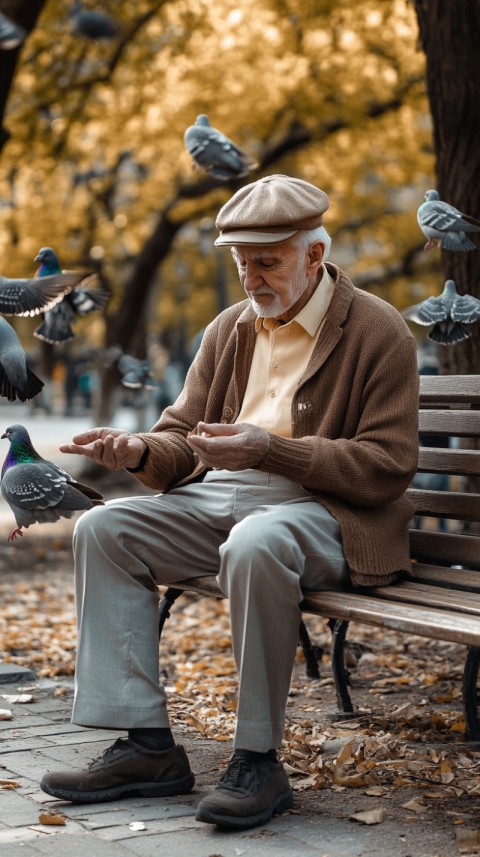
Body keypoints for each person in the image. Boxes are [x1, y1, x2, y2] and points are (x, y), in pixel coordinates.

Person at [40, 174, 419, 830]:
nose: (251, 278)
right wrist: (138, 452)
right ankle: (147, 746)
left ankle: (257, 759)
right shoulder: (231, 329)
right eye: (242, 263)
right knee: (104, 526)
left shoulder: (378, 331)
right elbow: (181, 437)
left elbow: (386, 468)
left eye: (267, 261)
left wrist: (268, 450)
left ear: (314, 256)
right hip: (224, 495)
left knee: (256, 540)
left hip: (327, 512)